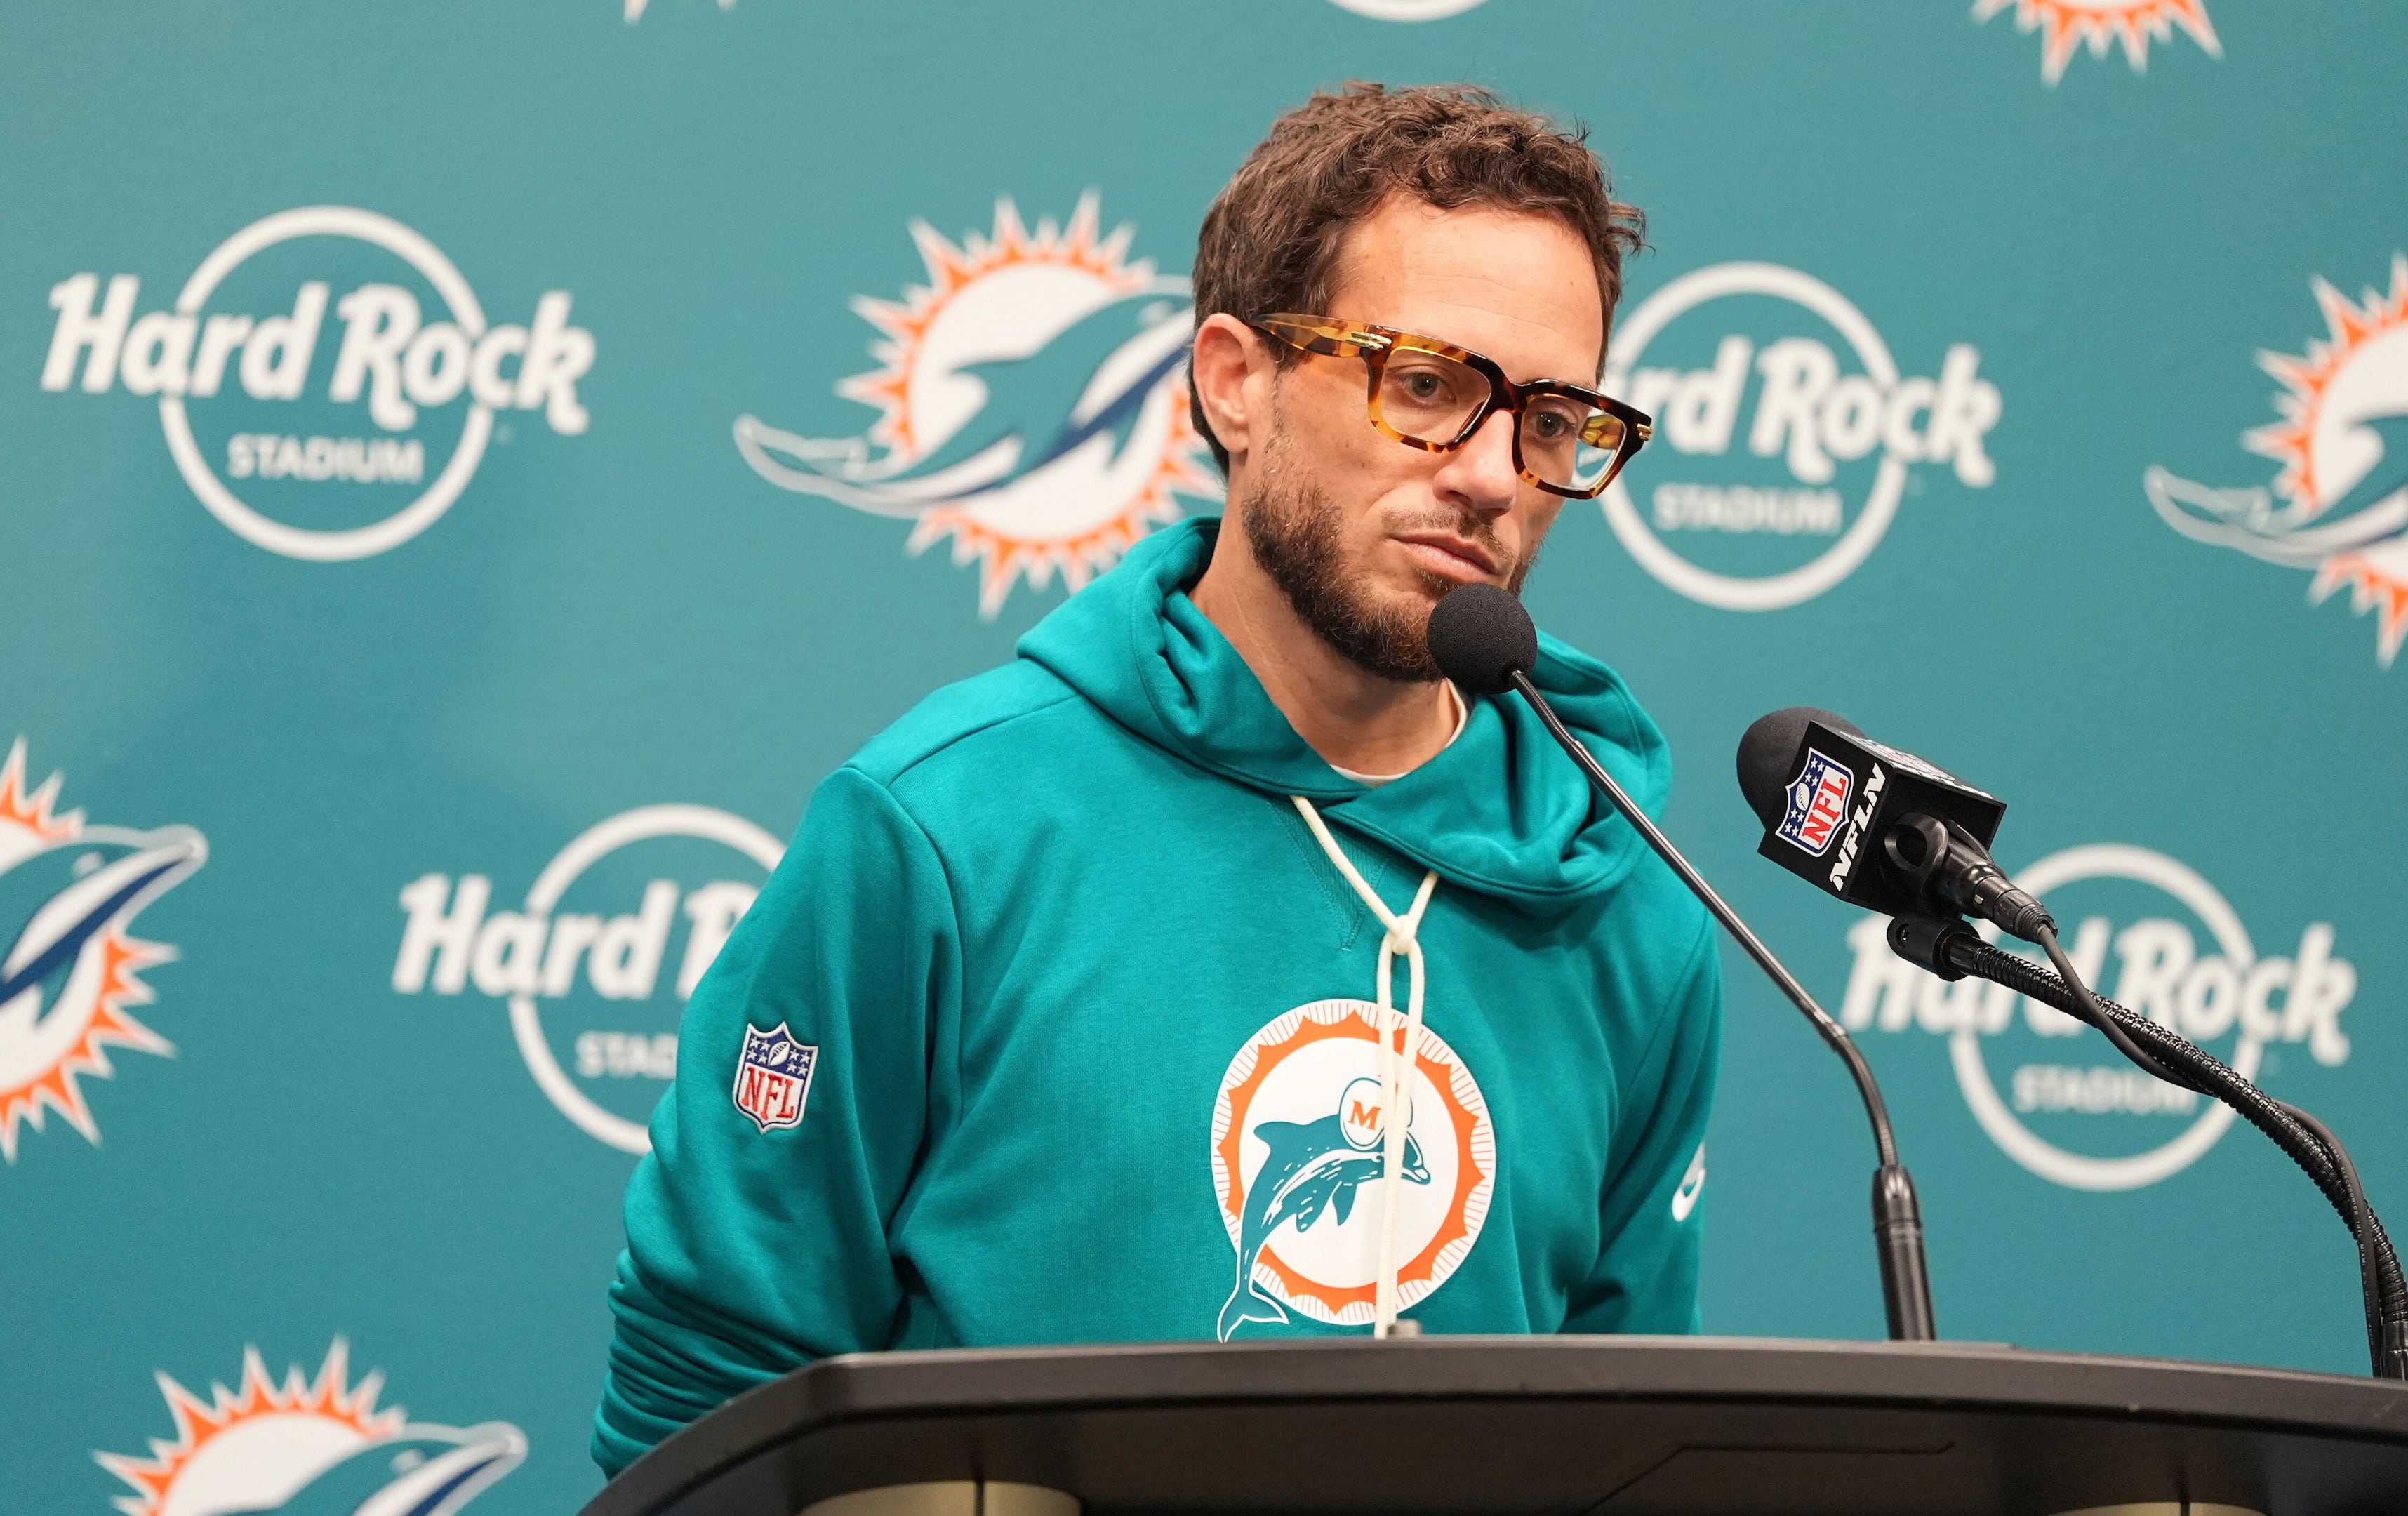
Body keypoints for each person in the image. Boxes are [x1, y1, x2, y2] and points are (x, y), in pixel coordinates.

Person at [592, 81, 1722, 1478]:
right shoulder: (942, 830)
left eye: (1552, 422)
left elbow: (1621, 1454)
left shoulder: (1632, 904)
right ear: (1236, 381)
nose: (1494, 476)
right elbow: (708, 1394)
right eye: (1426, 386)